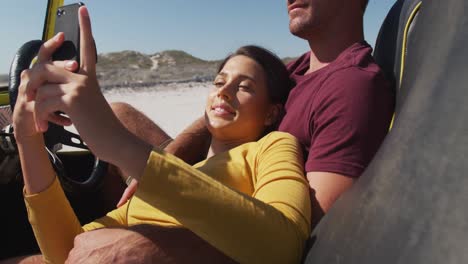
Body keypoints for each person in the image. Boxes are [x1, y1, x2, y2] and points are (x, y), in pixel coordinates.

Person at [62, 0, 393, 262]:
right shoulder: (297, 68)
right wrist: (169, 156)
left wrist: (154, 245)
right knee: (120, 114)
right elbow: (213, 116)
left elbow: (313, 235)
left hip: (241, 219)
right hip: (223, 172)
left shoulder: (353, 85)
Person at [11, 6, 311, 264]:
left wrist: (119, 143)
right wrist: (28, 140)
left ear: (271, 112)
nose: (224, 92)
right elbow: (64, 254)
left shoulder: (273, 147)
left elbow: (284, 246)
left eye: (244, 87)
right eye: (219, 81)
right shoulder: (162, 181)